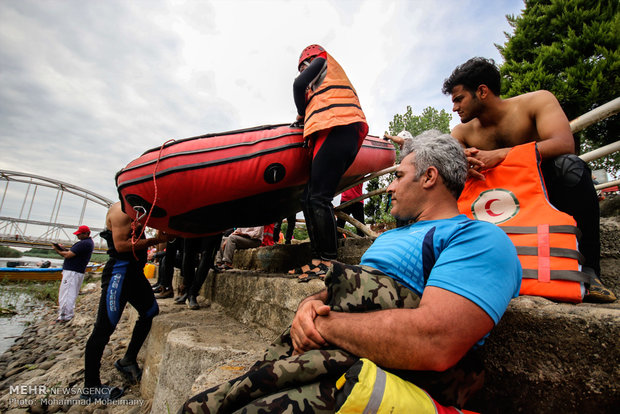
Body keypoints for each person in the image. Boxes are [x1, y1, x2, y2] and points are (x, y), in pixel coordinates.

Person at [179, 130, 522, 412]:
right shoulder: (390, 238)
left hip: (370, 371)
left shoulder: (479, 238)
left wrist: (325, 324)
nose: (389, 187)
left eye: (399, 176)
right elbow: (344, 288)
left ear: (429, 177)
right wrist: (309, 305)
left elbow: (436, 341)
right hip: (323, 354)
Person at [442, 56, 616, 303]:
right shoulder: (460, 132)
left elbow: (564, 143)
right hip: (497, 206)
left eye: (459, 99)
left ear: (482, 91)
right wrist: (461, 164)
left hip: (544, 195)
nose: (454, 108)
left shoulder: (537, 101)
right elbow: (449, 170)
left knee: (570, 166)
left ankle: (589, 271)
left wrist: (504, 154)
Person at [290, 44, 369, 281]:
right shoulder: (318, 86)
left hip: (339, 126)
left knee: (318, 197)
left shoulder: (322, 60)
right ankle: (317, 259)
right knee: (308, 198)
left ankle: (329, 260)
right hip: (329, 129)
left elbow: (297, 84)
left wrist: (301, 114)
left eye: (304, 65)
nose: (304, 70)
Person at [81, 202, 168, 402]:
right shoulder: (121, 211)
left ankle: (128, 360)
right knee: (103, 329)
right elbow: (120, 245)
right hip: (118, 274)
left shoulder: (141, 210)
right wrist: (154, 240)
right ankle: (91, 387)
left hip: (135, 274)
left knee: (149, 312)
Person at [52, 224, 94, 323]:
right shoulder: (87, 243)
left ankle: (64, 316)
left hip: (72, 272)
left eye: (79, 234)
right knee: (71, 293)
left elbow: (68, 255)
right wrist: (63, 249)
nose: (77, 236)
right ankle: (68, 314)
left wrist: (57, 250)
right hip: (77, 271)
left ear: (86, 234)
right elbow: (72, 252)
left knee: (66, 293)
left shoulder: (84, 243)